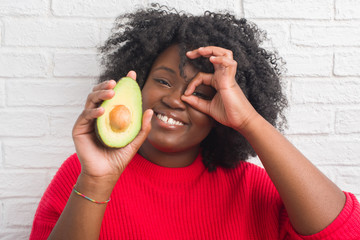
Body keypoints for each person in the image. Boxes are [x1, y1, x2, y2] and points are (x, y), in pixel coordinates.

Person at [30, 4, 360, 240]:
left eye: (200, 92)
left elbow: (346, 233)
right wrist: (97, 182)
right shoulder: (81, 175)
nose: (174, 99)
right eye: (162, 81)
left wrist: (248, 120)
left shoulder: (252, 187)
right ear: (138, 84)